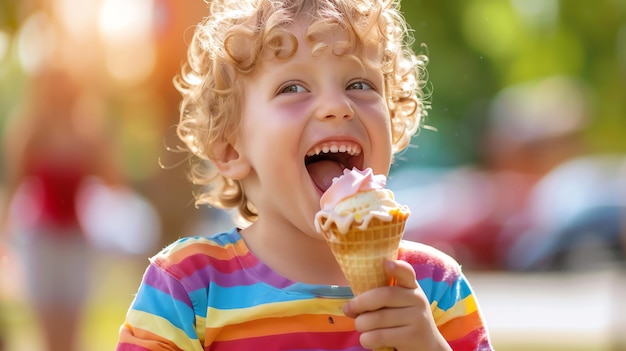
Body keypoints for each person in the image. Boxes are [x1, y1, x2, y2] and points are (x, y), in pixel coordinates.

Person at [116, 0, 494, 350]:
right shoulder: (188, 286)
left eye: (359, 84)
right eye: (292, 87)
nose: (336, 106)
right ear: (232, 149)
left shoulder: (433, 287)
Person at [1, 65, 123, 351]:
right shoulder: (32, 135)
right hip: (42, 242)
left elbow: (115, 181)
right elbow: (15, 183)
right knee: (48, 332)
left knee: (72, 333)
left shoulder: (87, 136)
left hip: (76, 242)